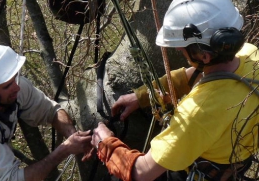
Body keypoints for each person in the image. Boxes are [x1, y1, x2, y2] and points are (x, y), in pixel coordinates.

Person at [91, 0, 259, 181]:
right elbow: (193, 75)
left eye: (182, 47)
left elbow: (141, 172)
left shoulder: (197, 113)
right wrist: (143, 96)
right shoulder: (251, 54)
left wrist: (105, 144)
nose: (178, 48)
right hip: (234, 159)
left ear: (204, 55)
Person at [0, 42, 92, 181]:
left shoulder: (14, 88)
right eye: (7, 86)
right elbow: (13, 178)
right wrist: (65, 149)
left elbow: (50, 110)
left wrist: (72, 134)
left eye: (15, 79)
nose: (17, 88)